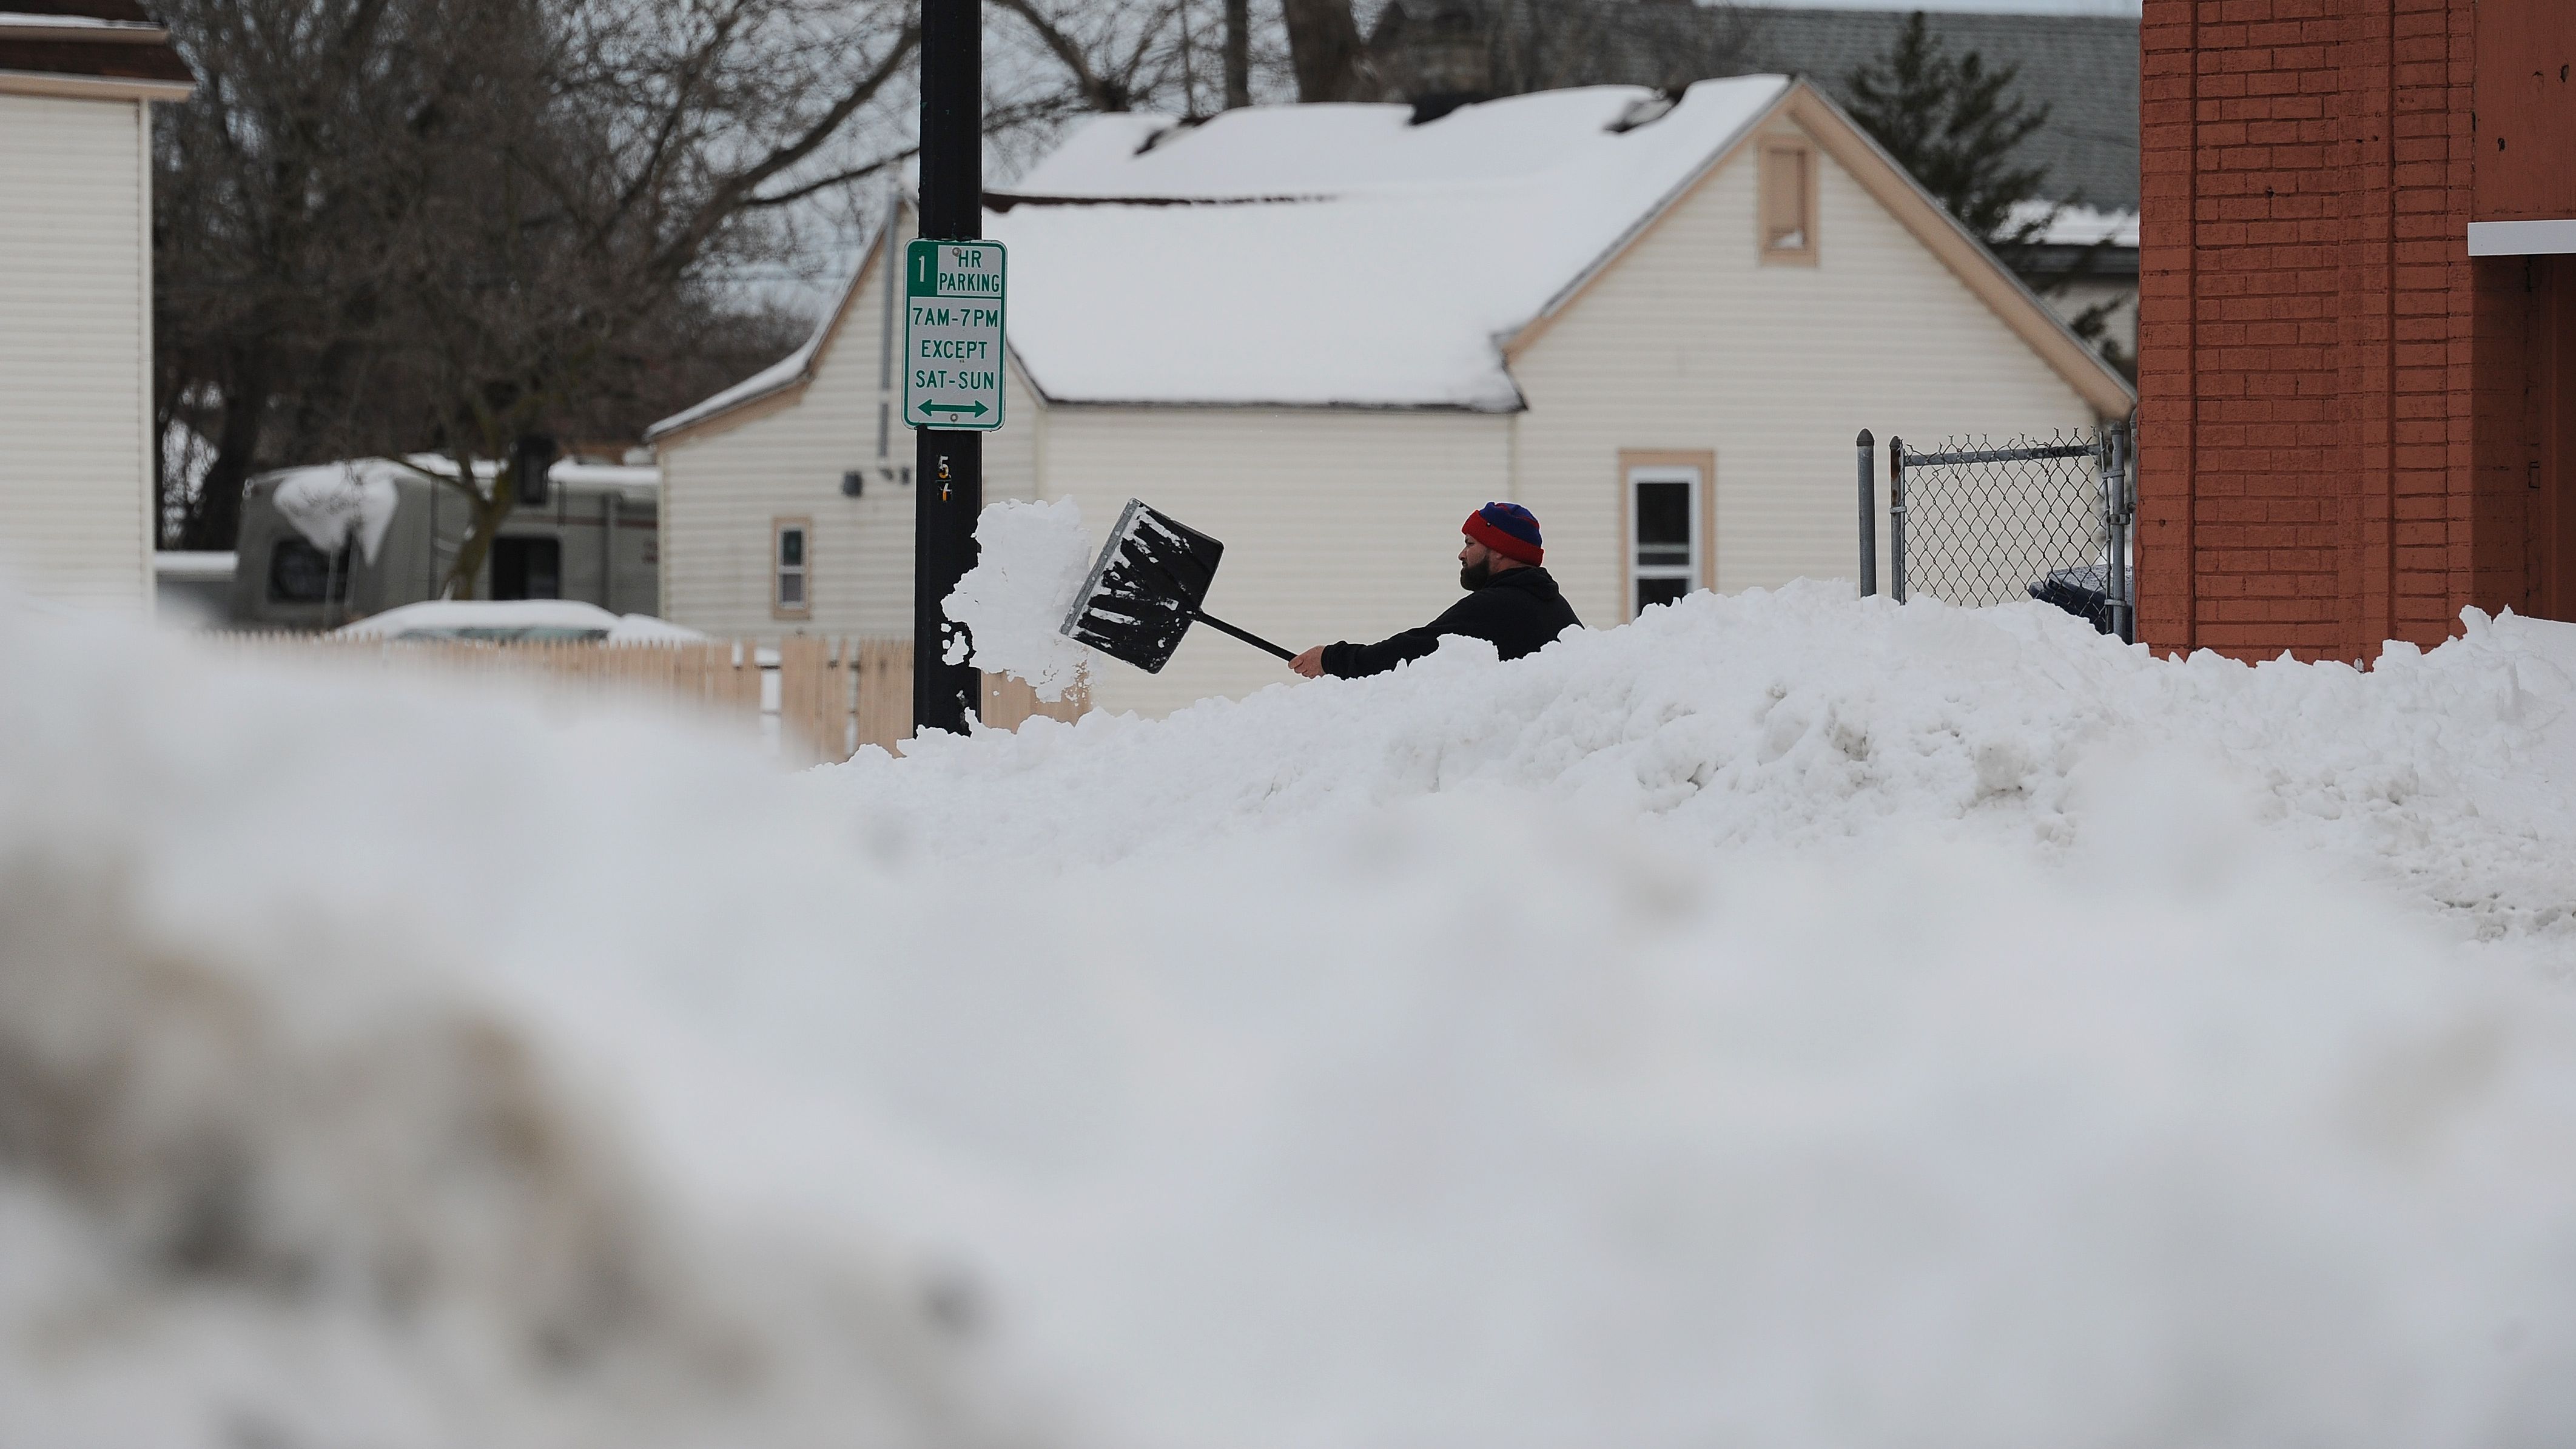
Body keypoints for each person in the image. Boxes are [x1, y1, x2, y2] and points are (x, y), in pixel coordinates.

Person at [1289, 502, 1582, 679]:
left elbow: (1410, 653)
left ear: (1501, 552)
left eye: (1470, 544)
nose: (1462, 555)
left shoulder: (1498, 606)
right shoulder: (1554, 604)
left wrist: (1330, 659)